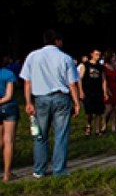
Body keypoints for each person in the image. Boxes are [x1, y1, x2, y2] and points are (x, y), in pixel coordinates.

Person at [20, 30, 82, 179]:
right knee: (61, 134)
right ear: (57, 41)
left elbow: (27, 81)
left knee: (40, 135)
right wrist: (77, 102)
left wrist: (28, 102)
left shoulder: (32, 56)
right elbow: (72, 83)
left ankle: (39, 169)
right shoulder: (65, 58)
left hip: (40, 98)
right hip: (61, 97)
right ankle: (59, 169)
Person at [0, 55, 20, 182]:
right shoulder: (8, 74)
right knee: (9, 141)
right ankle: (7, 173)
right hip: (8, 107)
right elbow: (9, 95)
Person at [80, 49, 107, 136]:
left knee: (99, 112)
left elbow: (103, 80)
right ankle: (88, 126)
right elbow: (80, 79)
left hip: (98, 91)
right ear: (92, 54)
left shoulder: (100, 67)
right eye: (96, 54)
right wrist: (81, 91)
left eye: (99, 54)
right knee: (89, 112)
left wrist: (105, 92)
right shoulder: (85, 65)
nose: (98, 56)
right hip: (88, 91)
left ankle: (97, 130)